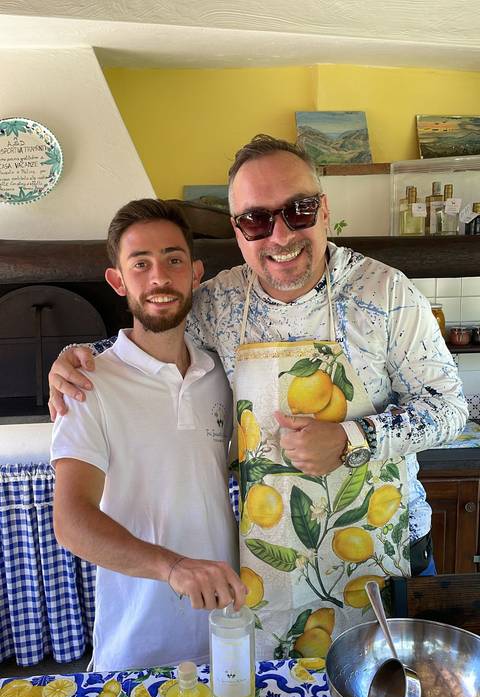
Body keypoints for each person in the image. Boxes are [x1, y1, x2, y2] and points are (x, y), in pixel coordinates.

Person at [49, 135, 468, 660]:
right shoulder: (220, 301)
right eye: (256, 220)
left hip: (384, 557)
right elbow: (156, 324)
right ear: (238, 231)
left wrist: (352, 438)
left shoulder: (385, 293)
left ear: (324, 210)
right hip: (266, 566)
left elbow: (450, 409)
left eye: (299, 210)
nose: (281, 234)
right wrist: (80, 354)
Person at [50, 199, 245, 671]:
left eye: (173, 259)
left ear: (195, 273)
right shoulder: (87, 383)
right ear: (118, 281)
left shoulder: (222, 374)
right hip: (137, 647)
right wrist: (172, 567)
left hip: (229, 629)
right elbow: (71, 521)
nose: (160, 276)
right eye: (141, 264)